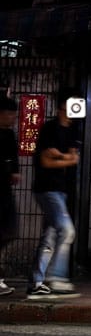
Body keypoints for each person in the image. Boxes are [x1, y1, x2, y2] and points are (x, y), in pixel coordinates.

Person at [27, 90, 84, 300]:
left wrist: (60, 156)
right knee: (66, 230)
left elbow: (73, 159)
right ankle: (56, 277)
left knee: (50, 237)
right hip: (47, 189)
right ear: (60, 108)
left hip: (61, 190)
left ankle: (37, 283)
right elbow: (45, 161)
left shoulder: (73, 130)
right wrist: (64, 158)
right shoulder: (49, 128)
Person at [0, 96, 20, 296]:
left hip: (5, 191)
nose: (13, 118)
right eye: (10, 114)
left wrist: (13, 172)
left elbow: (13, 159)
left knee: (9, 230)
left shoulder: (9, 135)